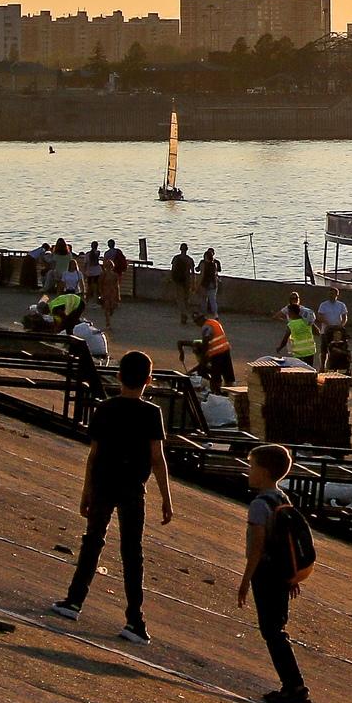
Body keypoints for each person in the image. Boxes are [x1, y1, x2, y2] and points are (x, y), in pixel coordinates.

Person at [51, 349, 171, 643]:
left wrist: (85, 491)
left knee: (92, 541)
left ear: (118, 376)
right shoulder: (152, 414)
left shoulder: (105, 408)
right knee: (132, 552)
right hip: (133, 487)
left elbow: (94, 455)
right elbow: (157, 458)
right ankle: (135, 621)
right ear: (149, 381)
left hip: (104, 482)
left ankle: (74, 601)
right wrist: (167, 498)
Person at [236, 443, 311, 703]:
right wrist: (291, 575)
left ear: (265, 471)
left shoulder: (259, 505)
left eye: (252, 466)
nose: (249, 471)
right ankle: (294, 685)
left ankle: (294, 686)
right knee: (276, 627)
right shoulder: (282, 498)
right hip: (282, 574)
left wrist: (245, 580)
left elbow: (257, 547)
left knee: (272, 631)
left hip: (266, 573)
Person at [182, 313, 233, 392]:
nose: (197, 324)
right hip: (225, 350)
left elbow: (206, 341)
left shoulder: (206, 327)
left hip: (217, 354)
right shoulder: (214, 322)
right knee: (228, 374)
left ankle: (216, 392)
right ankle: (230, 392)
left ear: (201, 319)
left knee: (216, 377)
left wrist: (203, 358)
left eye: (196, 322)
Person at [314, 286, 350, 373]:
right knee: (324, 350)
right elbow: (320, 316)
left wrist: (341, 325)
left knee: (336, 349)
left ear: (337, 295)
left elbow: (344, 317)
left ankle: (335, 367)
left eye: (333, 294)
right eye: (329, 293)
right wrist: (328, 324)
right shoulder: (323, 305)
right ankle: (322, 366)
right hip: (326, 330)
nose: (331, 295)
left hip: (337, 331)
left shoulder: (341, 305)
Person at [278, 295, 317, 364]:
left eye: (289, 313)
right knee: (309, 369)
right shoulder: (307, 321)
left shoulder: (291, 325)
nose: (288, 314)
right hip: (310, 350)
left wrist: (280, 347)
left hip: (299, 352)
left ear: (292, 313)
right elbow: (317, 332)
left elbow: (285, 338)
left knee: (299, 369)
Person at [99, 240, 129, 327]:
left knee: (111, 306)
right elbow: (117, 285)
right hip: (108, 290)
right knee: (106, 306)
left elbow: (115, 285)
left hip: (110, 290)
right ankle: (107, 321)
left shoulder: (107, 253)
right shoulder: (118, 251)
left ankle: (110, 312)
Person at [169, 243, 196, 324]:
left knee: (179, 299)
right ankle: (187, 314)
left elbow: (172, 270)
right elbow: (193, 273)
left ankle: (184, 314)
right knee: (186, 299)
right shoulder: (190, 259)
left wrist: (171, 279)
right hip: (187, 281)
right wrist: (193, 283)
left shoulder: (176, 258)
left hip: (178, 281)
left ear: (180, 249)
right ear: (187, 249)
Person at [197, 247, 222, 318]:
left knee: (203, 299)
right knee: (213, 300)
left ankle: (203, 313)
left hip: (205, 283)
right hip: (213, 283)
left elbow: (202, 275)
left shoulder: (203, 264)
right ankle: (215, 314)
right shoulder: (215, 264)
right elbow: (216, 274)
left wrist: (198, 285)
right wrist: (216, 284)